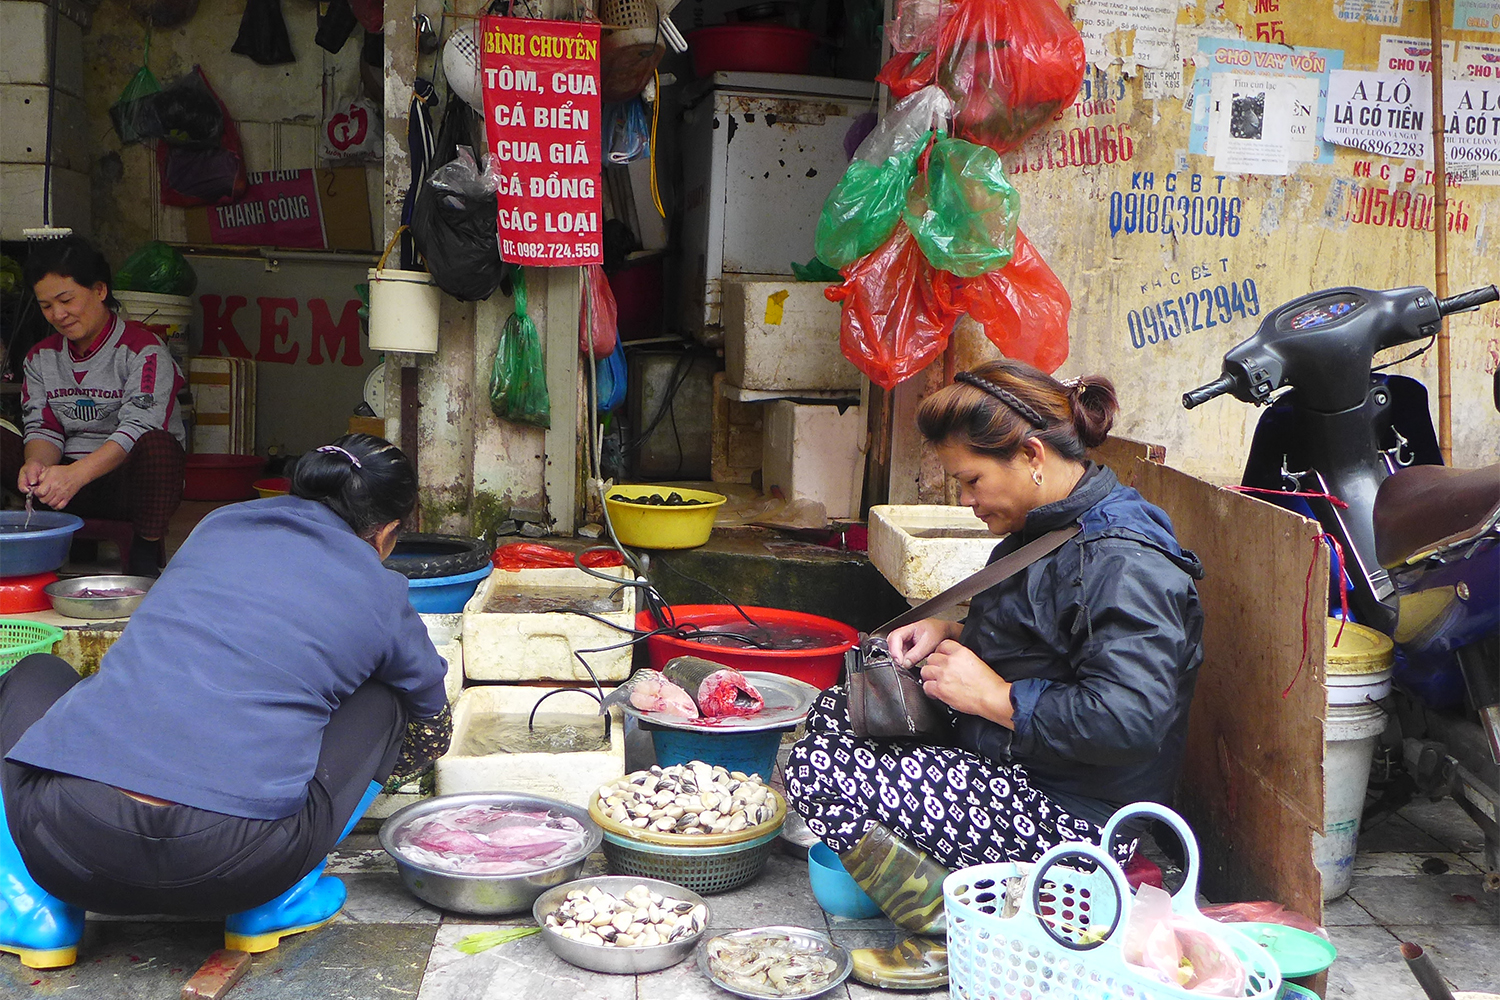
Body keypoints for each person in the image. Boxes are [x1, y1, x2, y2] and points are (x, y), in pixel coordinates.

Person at [784, 360, 1205, 990]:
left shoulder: (1125, 562)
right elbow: (1044, 637)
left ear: (1031, 454)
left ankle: (954, 933)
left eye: (971, 480)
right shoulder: (1048, 523)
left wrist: (998, 697)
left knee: (815, 770)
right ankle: (945, 884)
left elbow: (1129, 720)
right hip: (1019, 763)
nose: (966, 499)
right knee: (838, 713)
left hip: (1079, 820)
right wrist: (950, 631)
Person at [0, 434, 452, 970]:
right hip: (239, 867)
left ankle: (28, 907)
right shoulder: (381, 589)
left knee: (34, 673)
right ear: (387, 534)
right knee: (386, 699)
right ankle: (277, 902)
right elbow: (431, 722)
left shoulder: (216, 525)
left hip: (68, 847)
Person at [4, 235, 187, 577]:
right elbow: (43, 427)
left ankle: (144, 555)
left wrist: (77, 475)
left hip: (125, 483)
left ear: (100, 290)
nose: (58, 314)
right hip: (61, 481)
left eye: (66, 300)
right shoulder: (41, 357)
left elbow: (140, 425)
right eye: (46, 306)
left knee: (159, 445)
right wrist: (36, 465)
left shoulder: (144, 350)